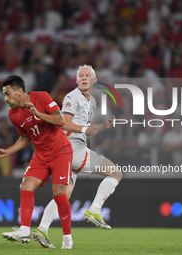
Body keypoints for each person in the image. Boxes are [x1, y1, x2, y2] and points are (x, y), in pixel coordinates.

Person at [33, 65, 122, 248]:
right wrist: (85, 129)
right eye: (81, 75)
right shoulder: (72, 97)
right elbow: (64, 123)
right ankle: (95, 210)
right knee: (115, 173)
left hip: (71, 149)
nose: (84, 77)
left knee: (63, 195)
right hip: (70, 148)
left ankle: (42, 229)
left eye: (88, 75)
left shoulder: (93, 102)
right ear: (76, 80)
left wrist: (103, 126)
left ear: (94, 80)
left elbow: (85, 129)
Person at [0, 75, 74, 249]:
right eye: (4, 95)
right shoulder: (13, 115)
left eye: (7, 94)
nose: (5, 99)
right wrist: (8, 150)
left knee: (58, 192)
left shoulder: (41, 97)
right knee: (25, 186)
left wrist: (38, 114)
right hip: (41, 155)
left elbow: (61, 120)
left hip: (60, 151)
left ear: (20, 91)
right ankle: (24, 230)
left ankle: (67, 238)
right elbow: (25, 137)